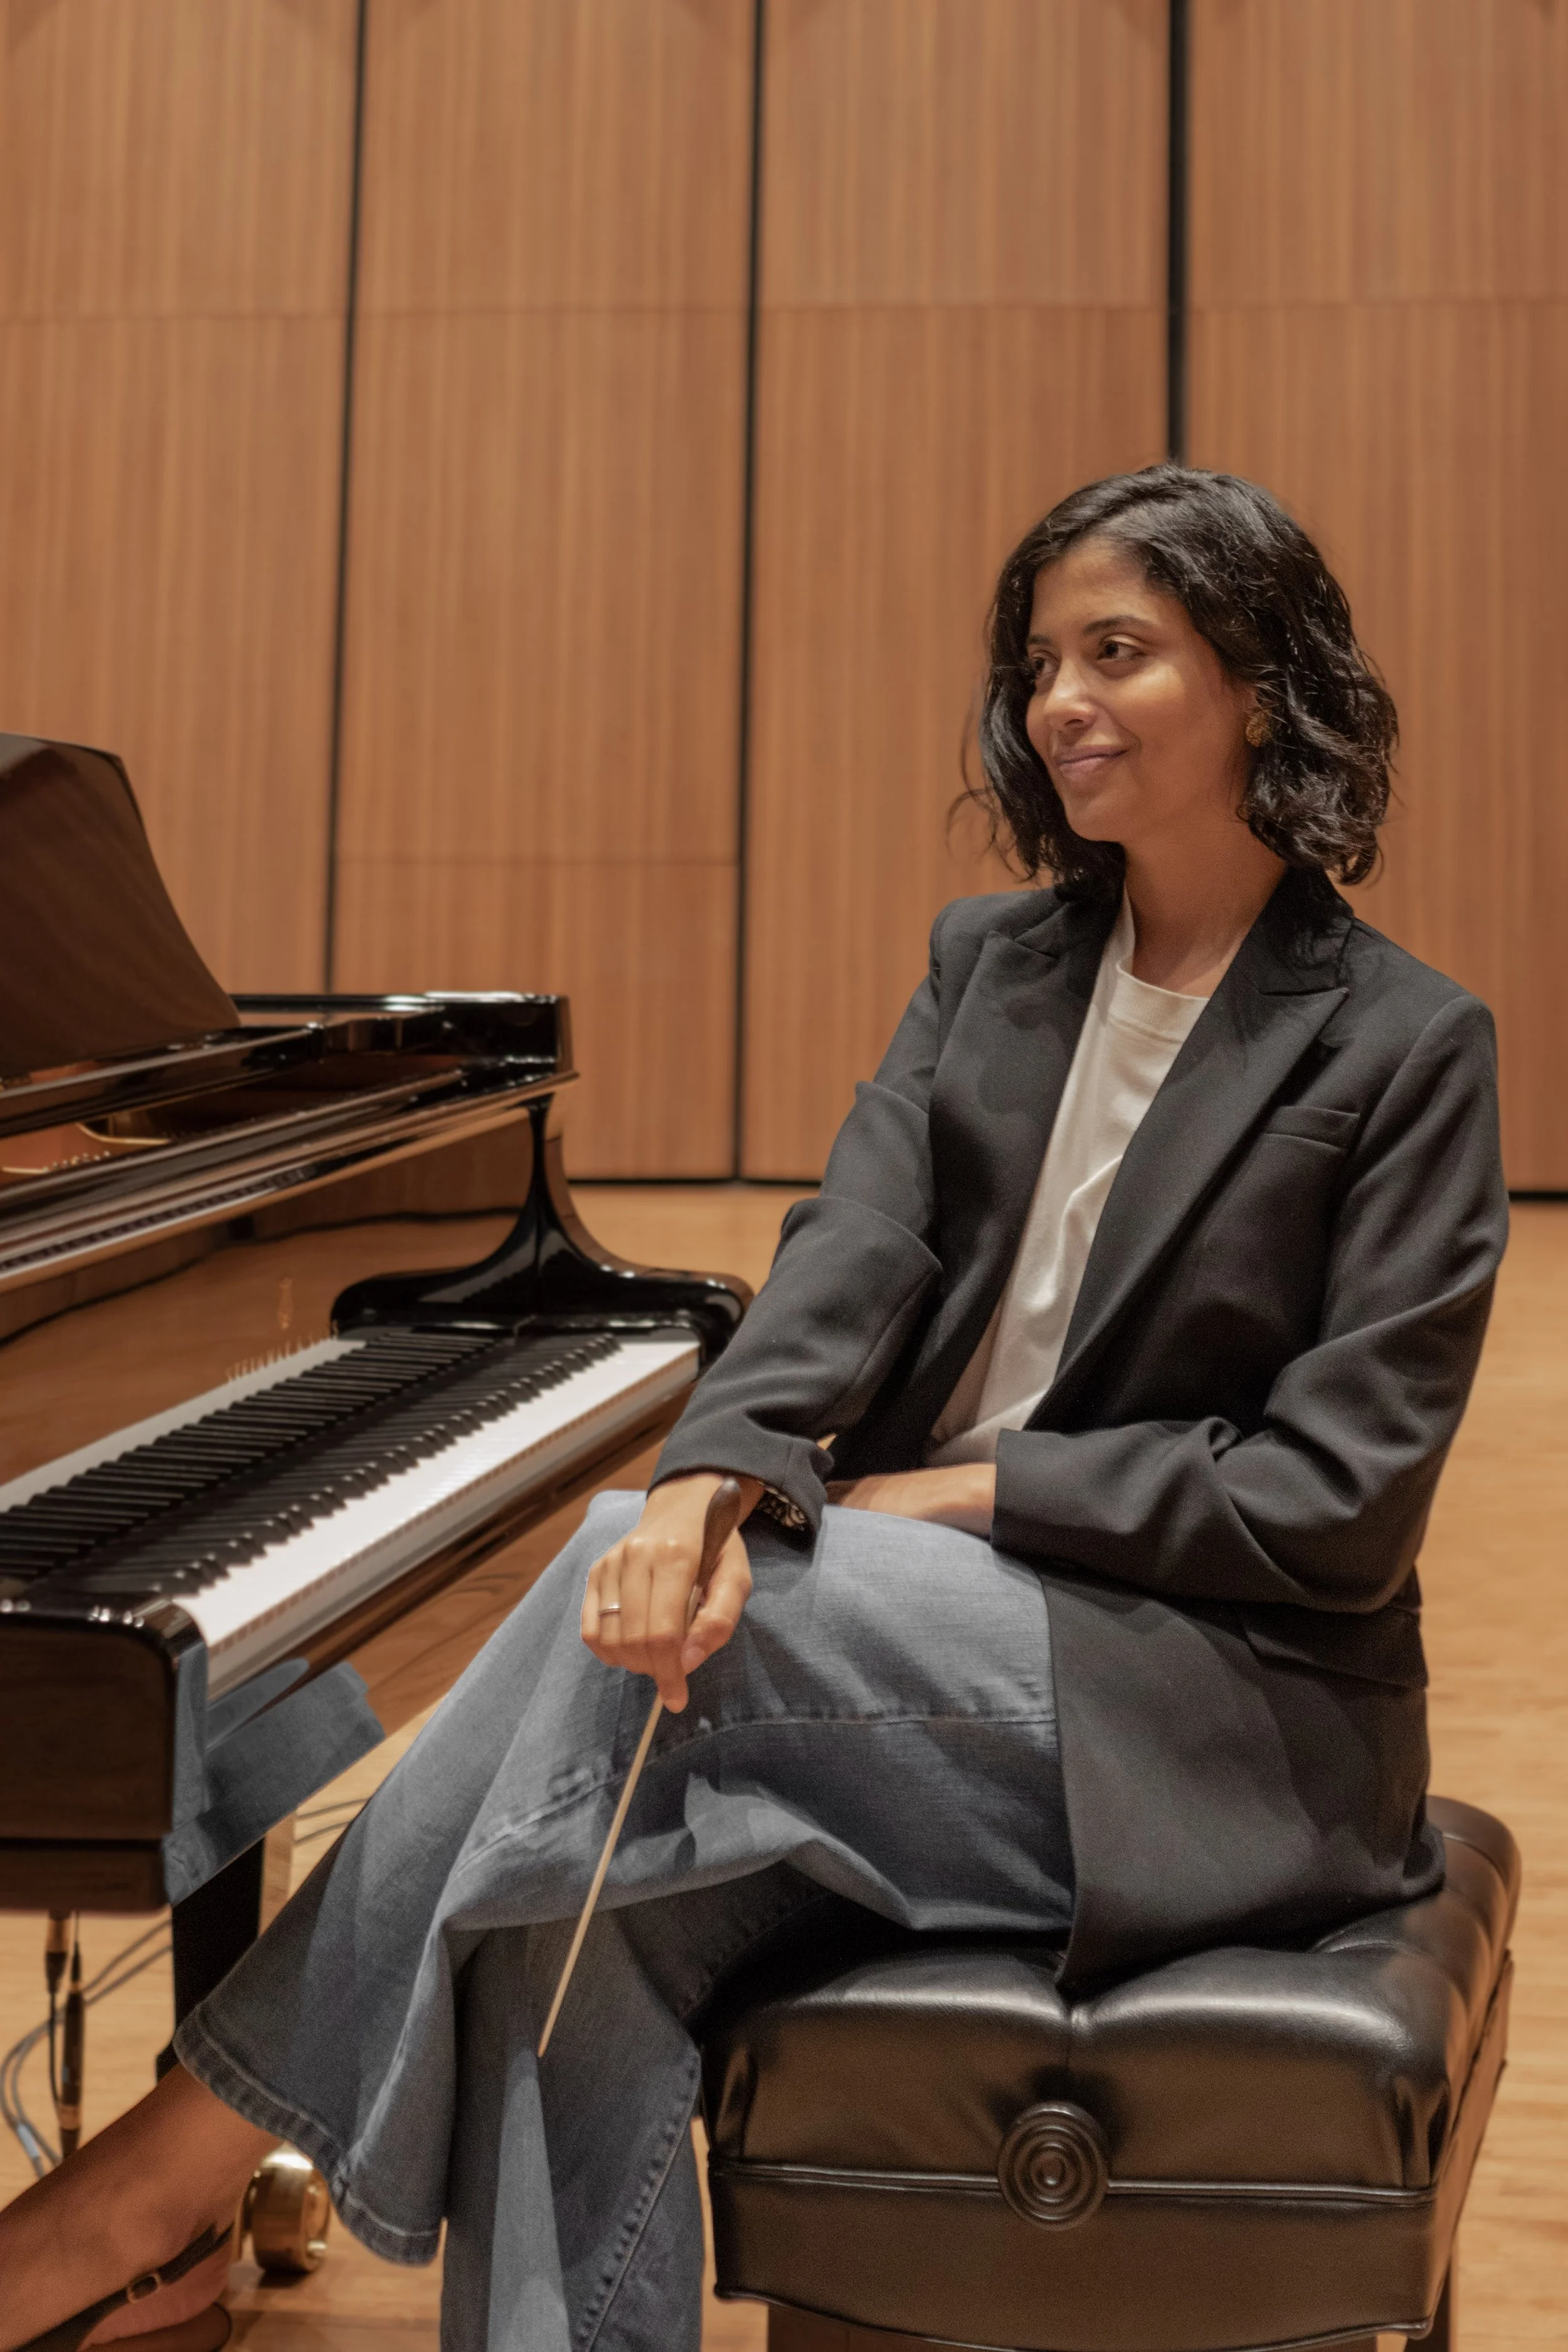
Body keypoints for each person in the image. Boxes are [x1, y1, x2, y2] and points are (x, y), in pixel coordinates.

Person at [0, 466, 1507, 2352]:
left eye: (1116, 653)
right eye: (1039, 660)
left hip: (1214, 1715)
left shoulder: (1400, 1042)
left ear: (1261, 685)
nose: (1058, 703)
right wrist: (710, 1477)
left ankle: (139, 2195)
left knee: (585, 1605)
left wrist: (954, 1497)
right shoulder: (993, 968)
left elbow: (1332, 1496)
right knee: (569, 1917)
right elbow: (847, 1247)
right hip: (932, 1665)